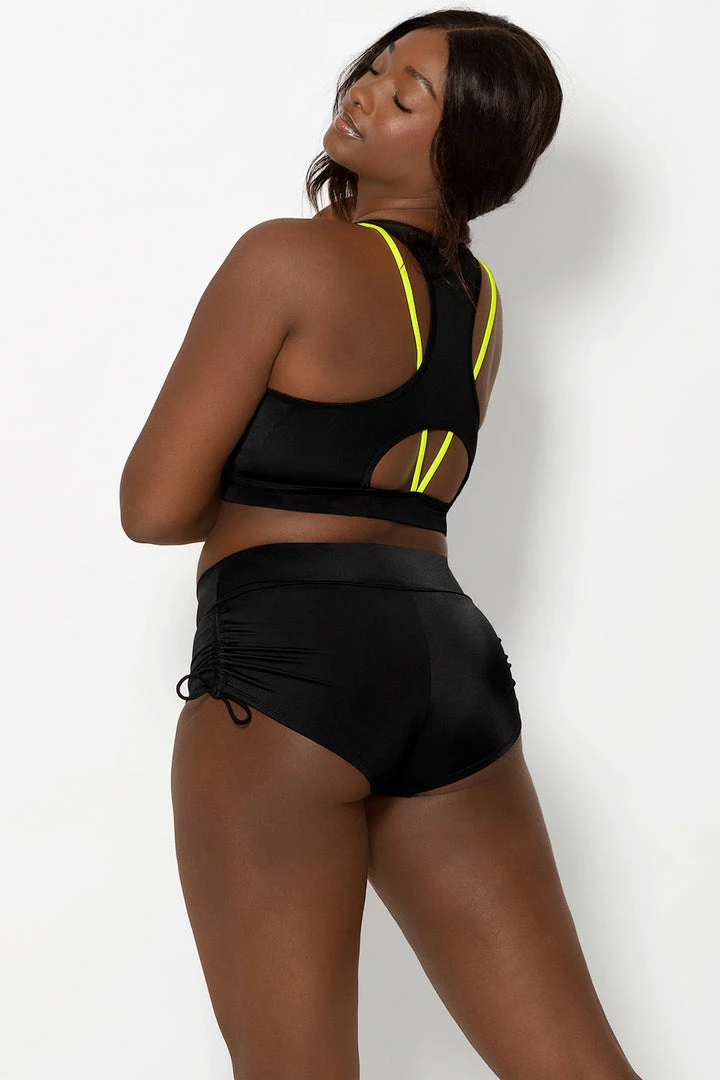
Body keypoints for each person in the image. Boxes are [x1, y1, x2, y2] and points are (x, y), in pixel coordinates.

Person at [120, 10, 644, 1080]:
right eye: (377, 66)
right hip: (451, 669)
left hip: (290, 668)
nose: (364, 92)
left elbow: (154, 505)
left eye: (406, 98)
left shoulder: (284, 259)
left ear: (460, 156)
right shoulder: (480, 307)